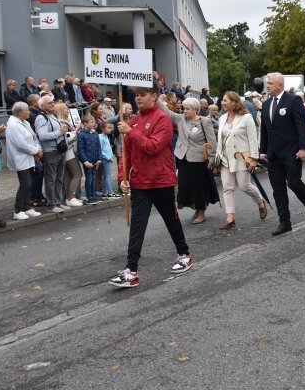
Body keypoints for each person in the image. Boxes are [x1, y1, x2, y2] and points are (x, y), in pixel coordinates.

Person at [109, 84, 194, 288]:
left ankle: (184, 254)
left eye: (142, 95)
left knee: (170, 220)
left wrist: (131, 131)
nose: (138, 99)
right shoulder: (133, 121)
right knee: (137, 225)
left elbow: (153, 147)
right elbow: (125, 154)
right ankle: (131, 270)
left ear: (154, 96)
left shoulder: (162, 119)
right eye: (136, 95)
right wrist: (123, 176)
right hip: (139, 181)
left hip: (161, 180)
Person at [259, 72, 305, 236]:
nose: (267, 85)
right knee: (278, 189)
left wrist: (304, 148)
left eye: (270, 83)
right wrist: (263, 151)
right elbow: (265, 130)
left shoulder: (293, 100)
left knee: (294, 182)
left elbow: (300, 125)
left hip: (291, 151)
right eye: (267, 83)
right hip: (273, 154)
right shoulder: (266, 103)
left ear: (280, 85)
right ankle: (285, 222)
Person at [157, 96, 219, 224]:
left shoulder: (204, 121)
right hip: (183, 158)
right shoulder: (180, 119)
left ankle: (201, 212)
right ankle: (196, 209)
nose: (184, 111)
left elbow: (212, 141)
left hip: (199, 159)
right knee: (186, 186)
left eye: (187, 109)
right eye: (183, 108)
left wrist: (212, 160)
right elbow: (165, 111)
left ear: (195, 109)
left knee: (198, 187)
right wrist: (155, 94)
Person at [216, 91, 266, 229]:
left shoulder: (246, 117)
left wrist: (254, 159)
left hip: (242, 158)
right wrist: (217, 159)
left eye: (225, 100)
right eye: (222, 100)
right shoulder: (222, 118)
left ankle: (260, 201)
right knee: (227, 187)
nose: (222, 102)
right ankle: (230, 217)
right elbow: (220, 140)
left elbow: (253, 139)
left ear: (233, 102)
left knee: (244, 186)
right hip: (226, 158)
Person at [5, 102, 43, 220]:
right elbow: (20, 144)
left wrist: (38, 149)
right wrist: (35, 151)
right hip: (21, 158)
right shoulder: (13, 125)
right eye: (27, 110)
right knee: (25, 184)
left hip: (29, 156)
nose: (29, 112)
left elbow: (33, 137)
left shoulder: (25, 122)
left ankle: (27, 207)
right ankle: (18, 210)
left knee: (29, 183)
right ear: (20, 112)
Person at [35, 96, 69, 213]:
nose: (53, 104)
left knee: (59, 178)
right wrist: (59, 132)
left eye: (53, 102)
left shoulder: (52, 116)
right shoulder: (41, 117)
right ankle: (51, 204)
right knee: (51, 179)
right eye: (50, 103)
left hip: (60, 150)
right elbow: (42, 135)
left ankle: (58, 202)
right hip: (50, 151)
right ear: (42, 106)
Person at [77, 115, 102, 205]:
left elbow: (98, 147)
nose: (93, 123)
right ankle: (89, 197)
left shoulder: (95, 134)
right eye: (91, 122)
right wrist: (85, 161)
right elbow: (81, 149)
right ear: (85, 123)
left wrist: (99, 159)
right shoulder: (81, 135)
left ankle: (93, 196)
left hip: (95, 161)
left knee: (93, 178)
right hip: (88, 161)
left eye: (94, 122)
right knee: (89, 179)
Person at [98, 121, 117, 197]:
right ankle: (110, 192)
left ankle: (105, 192)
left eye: (111, 128)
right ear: (103, 129)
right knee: (107, 176)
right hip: (106, 159)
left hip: (108, 158)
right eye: (108, 128)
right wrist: (107, 157)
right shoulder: (101, 137)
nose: (110, 129)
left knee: (106, 175)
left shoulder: (105, 136)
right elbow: (100, 150)